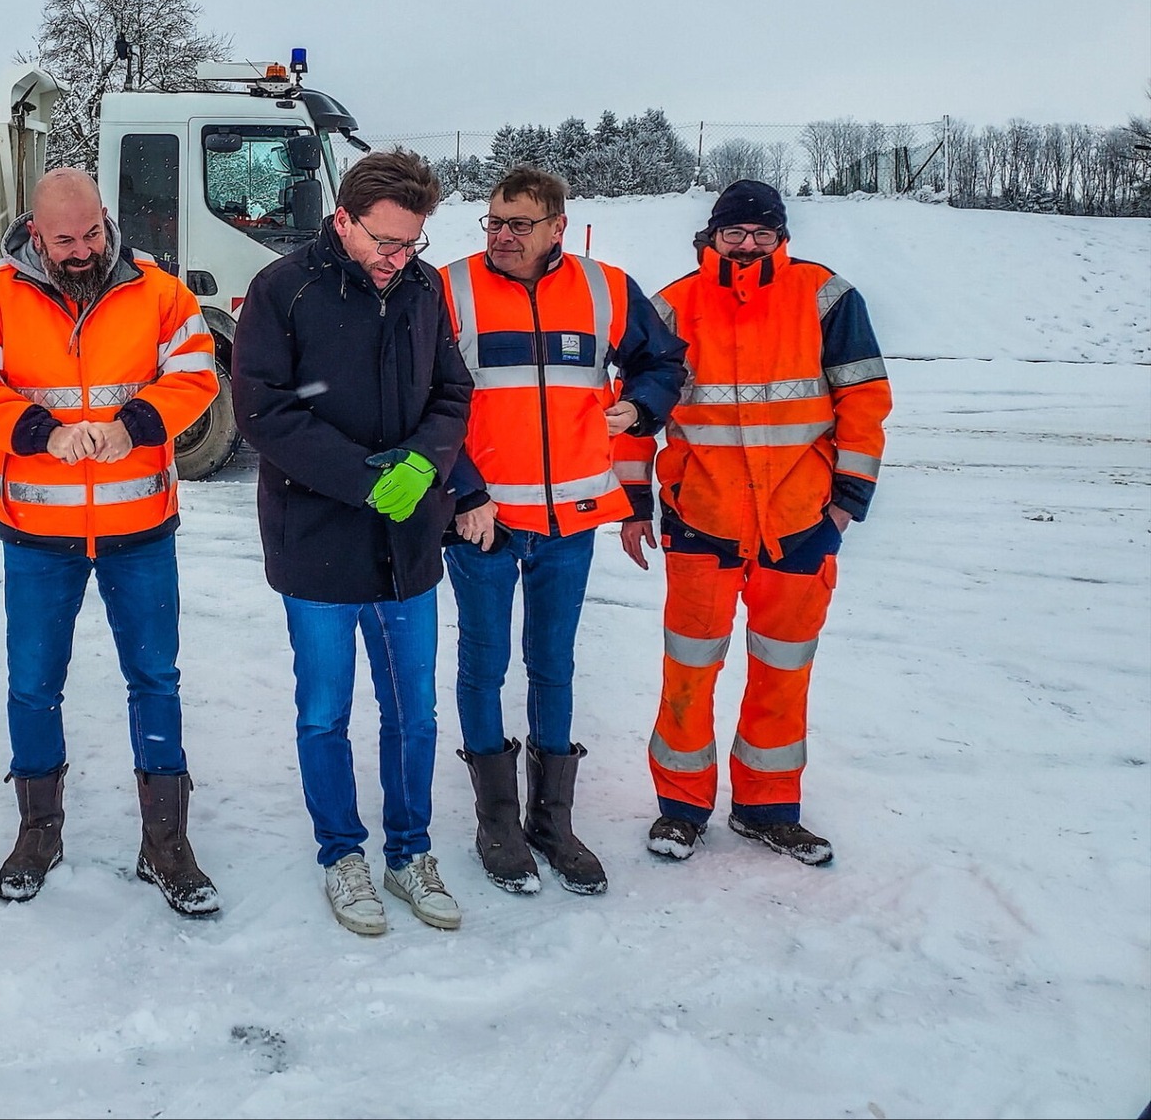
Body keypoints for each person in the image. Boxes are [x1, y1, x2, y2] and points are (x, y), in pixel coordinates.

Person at [0, 169, 224, 915]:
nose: (82, 250)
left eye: (93, 233)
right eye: (65, 239)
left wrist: (133, 425)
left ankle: (165, 842)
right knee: (33, 684)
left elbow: (195, 375)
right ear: (35, 233)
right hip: (38, 533)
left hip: (141, 528)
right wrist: (44, 432)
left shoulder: (159, 291)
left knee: (155, 678)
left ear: (107, 219)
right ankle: (39, 831)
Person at [232, 148, 473, 936]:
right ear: (343, 219)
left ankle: (410, 852)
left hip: (409, 542)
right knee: (324, 712)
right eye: (385, 241)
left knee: (414, 714)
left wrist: (427, 460)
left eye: (412, 242)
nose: (398, 258)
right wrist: (361, 477)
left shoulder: (424, 289)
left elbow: (452, 390)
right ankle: (342, 853)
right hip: (316, 541)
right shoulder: (283, 289)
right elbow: (262, 410)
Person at [616, 179, 891, 866]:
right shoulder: (672, 306)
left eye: (762, 233)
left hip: (800, 523)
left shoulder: (827, 298)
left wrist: (846, 501)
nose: (747, 245)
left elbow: (864, 400)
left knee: (781, 673)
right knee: (688, 671)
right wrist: (636, 502)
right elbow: (633, 410)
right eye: (734, 232)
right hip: (700, 520)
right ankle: (681, 808)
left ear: (781, 237)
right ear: (712, 235)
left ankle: (768, 809)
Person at [436, 166, 686, 897]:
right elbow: (423, 398)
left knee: (553, 662)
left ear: (557, 228)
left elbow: (663, 360)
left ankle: (552, 820)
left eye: (520, 224)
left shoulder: (605, 288)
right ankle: (497, 821)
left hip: (570, 518)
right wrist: (461, 492)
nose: (503, 236)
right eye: (494, 221)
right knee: (484, 663)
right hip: (483, 518)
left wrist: (640, 406)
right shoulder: (450, 288)